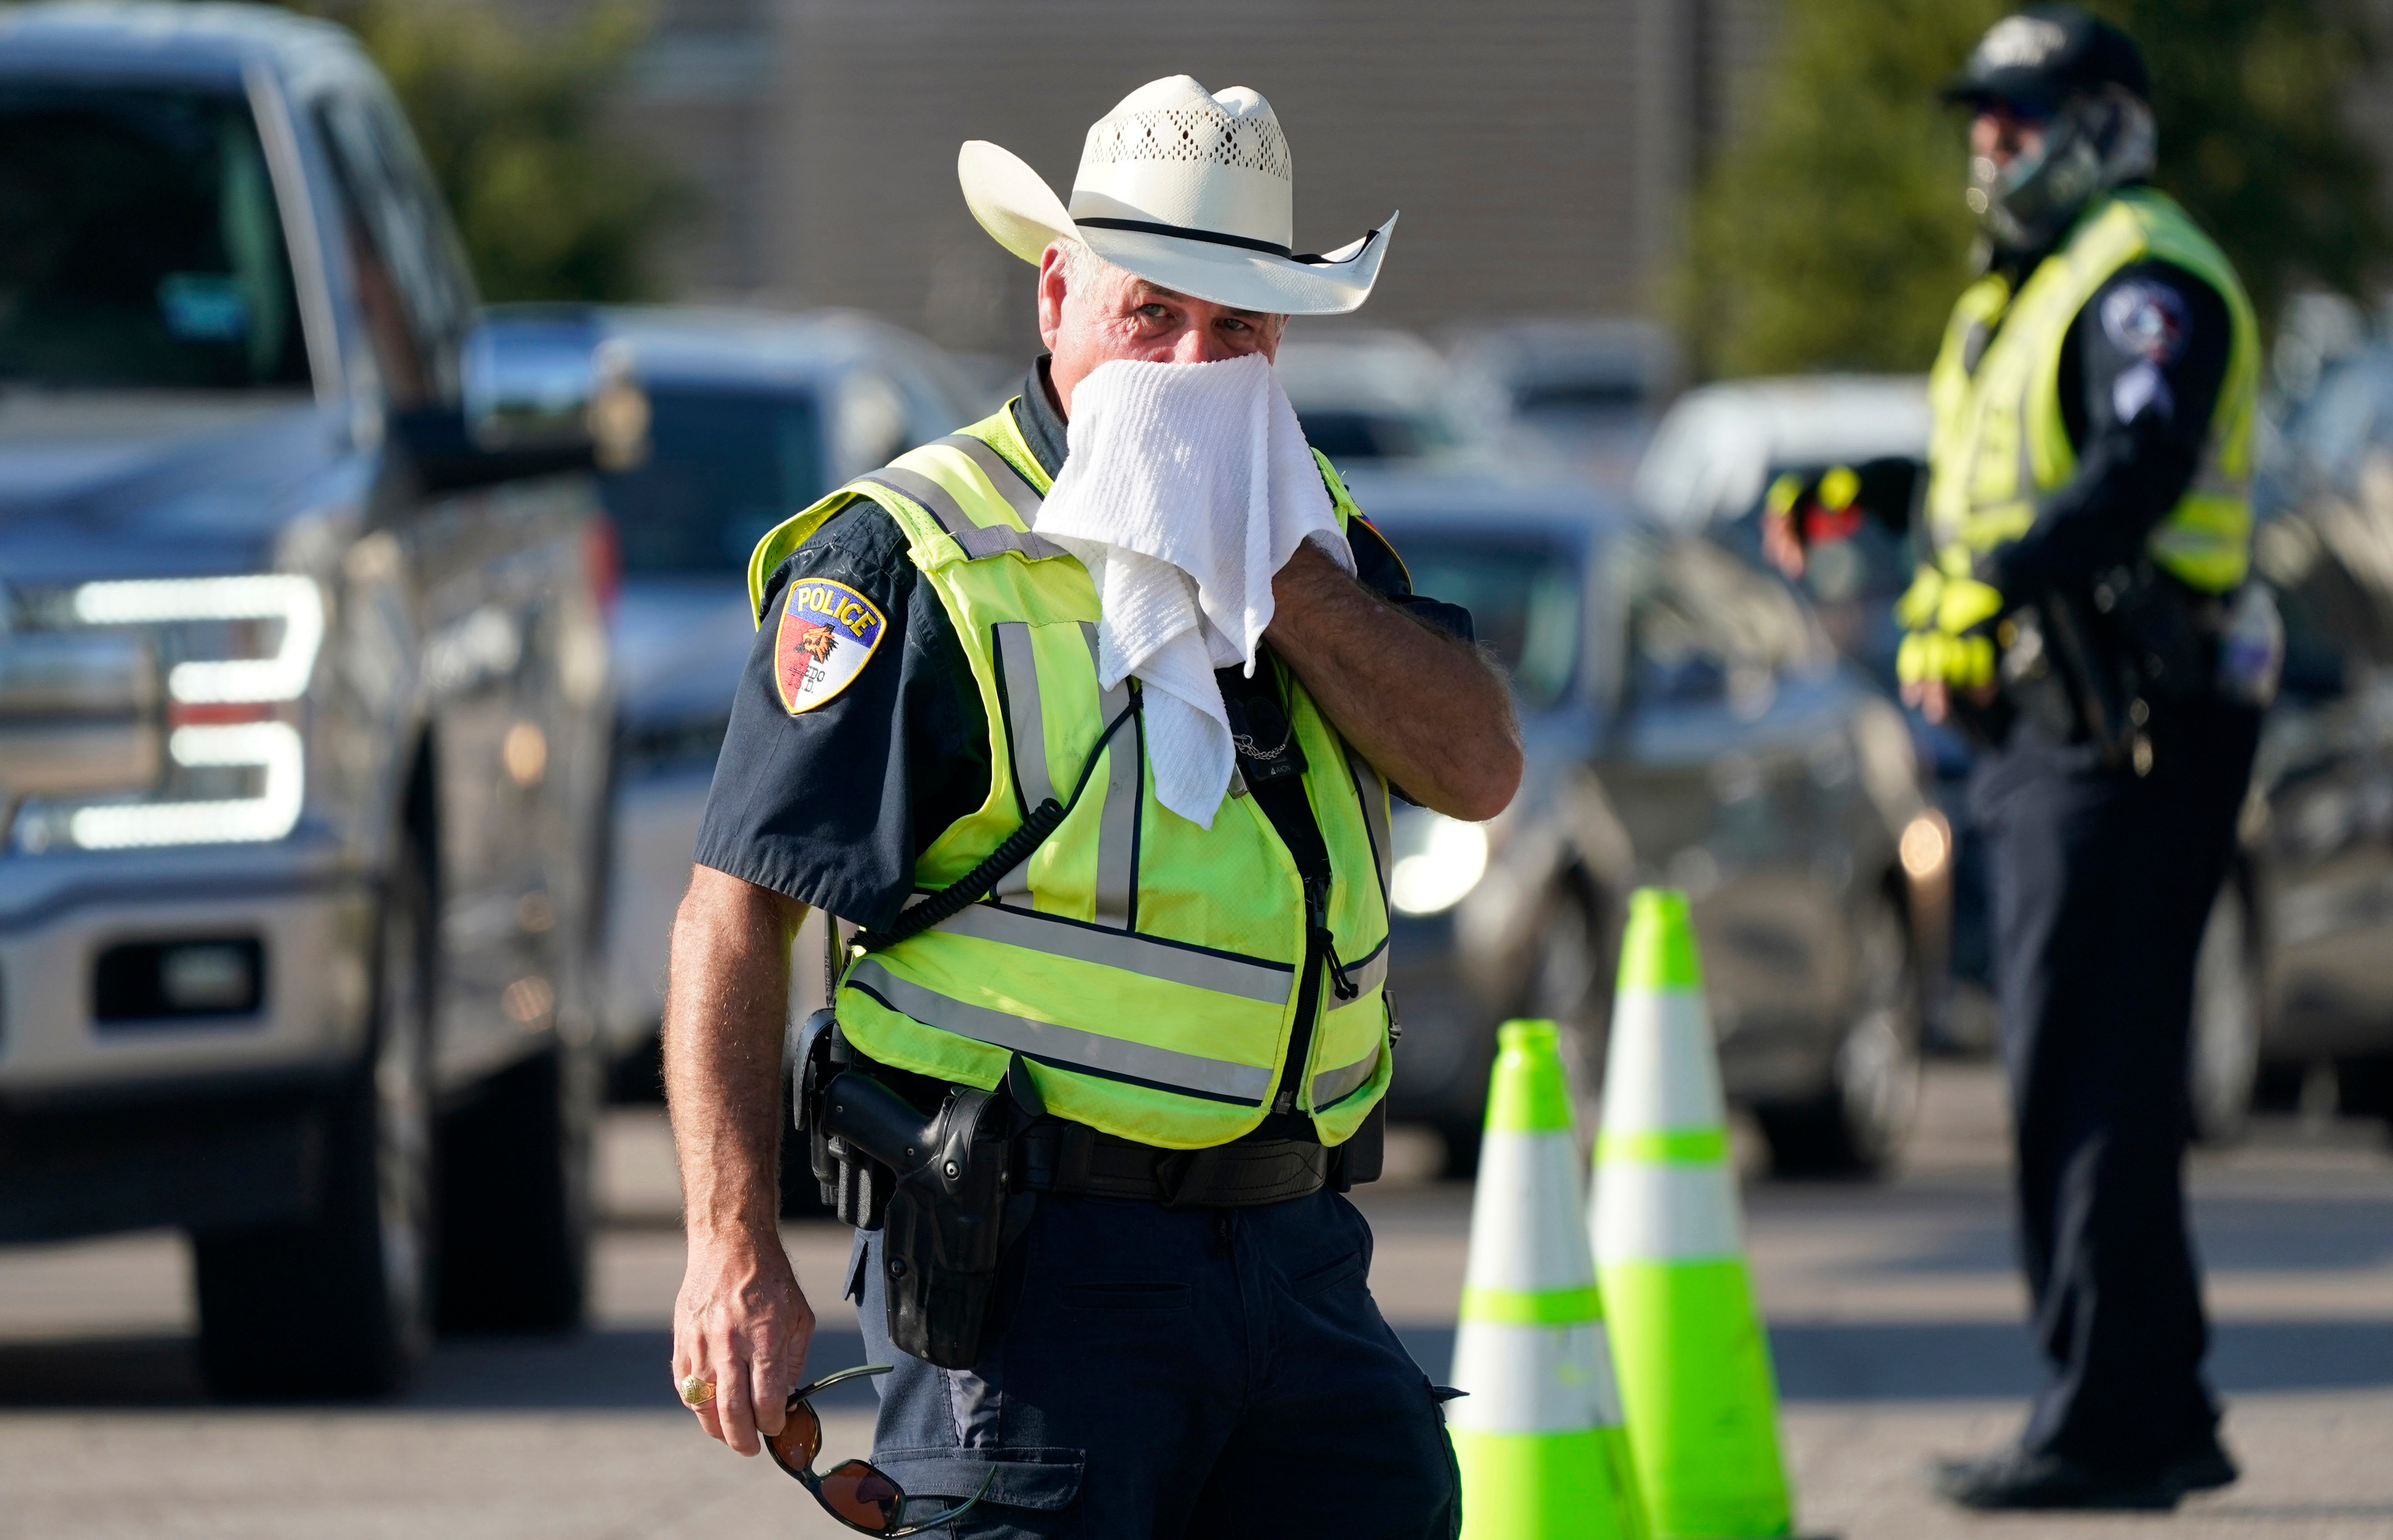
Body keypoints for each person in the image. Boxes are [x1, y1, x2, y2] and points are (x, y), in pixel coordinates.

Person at [662, 74, 1520, 1538]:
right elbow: (731, 916)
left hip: (1299, 1257)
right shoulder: (915, 556)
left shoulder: (1303, 521)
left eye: (1235, 331)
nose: (1192, 367)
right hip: (1036, 1289)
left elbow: (1478, 763)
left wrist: (1278, 574)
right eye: (1152, 316)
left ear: (1281, 345)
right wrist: (732, 1241)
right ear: (1057, 294)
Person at [1773, 6, 2264, 1512]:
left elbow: (2138, 466)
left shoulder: (2144, 277)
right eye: (1980, 117)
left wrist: (2000, 584)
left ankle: (2106, 1424)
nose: (1990, 143)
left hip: (2125, 723)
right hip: (2060, 734)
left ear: (2108, 122)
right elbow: (2014, 482)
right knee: (2092, 1068)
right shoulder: (2036, 290)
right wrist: (1877, 489)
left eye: (2022, 112)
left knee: (2083, 1079)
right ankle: (2154, 1403)